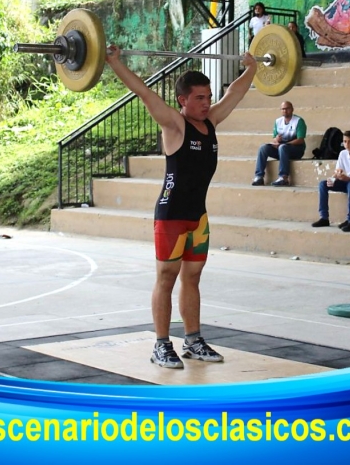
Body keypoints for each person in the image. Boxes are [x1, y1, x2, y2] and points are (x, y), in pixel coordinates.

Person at [105, 45, 257, 369]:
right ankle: (161, 345)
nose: (207, 103)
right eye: (200, 98)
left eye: (208, 96)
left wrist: (252, 70)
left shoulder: (211, 121)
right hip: (171, 215)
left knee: (193, 278)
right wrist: (115, 63)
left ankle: (193, 340)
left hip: (198, 217)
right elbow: (144, 93)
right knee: (166, 278)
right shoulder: (174, 125)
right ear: (182, 100)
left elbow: (235, 93)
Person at [311, 130, 350, 228]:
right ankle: (324, 218)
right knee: (323, 184)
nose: (347, 144)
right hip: (346, 181)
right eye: (344, 141)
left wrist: (348, 178)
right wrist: (332, 178)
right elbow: (337, 171)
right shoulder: (343, 154)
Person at [252, 101, 307, 186]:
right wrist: (276, 140)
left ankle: (284, 177)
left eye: (287, 108)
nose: (285, 111)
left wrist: (285, 144)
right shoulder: (278, 121)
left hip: (296, 149)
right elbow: (274, 137)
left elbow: (300, 140)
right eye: (283, 109)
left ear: (292, 109)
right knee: (263, 148)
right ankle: (259, 177)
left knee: (283, 147)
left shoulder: (299, 121)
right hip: (281, 148)